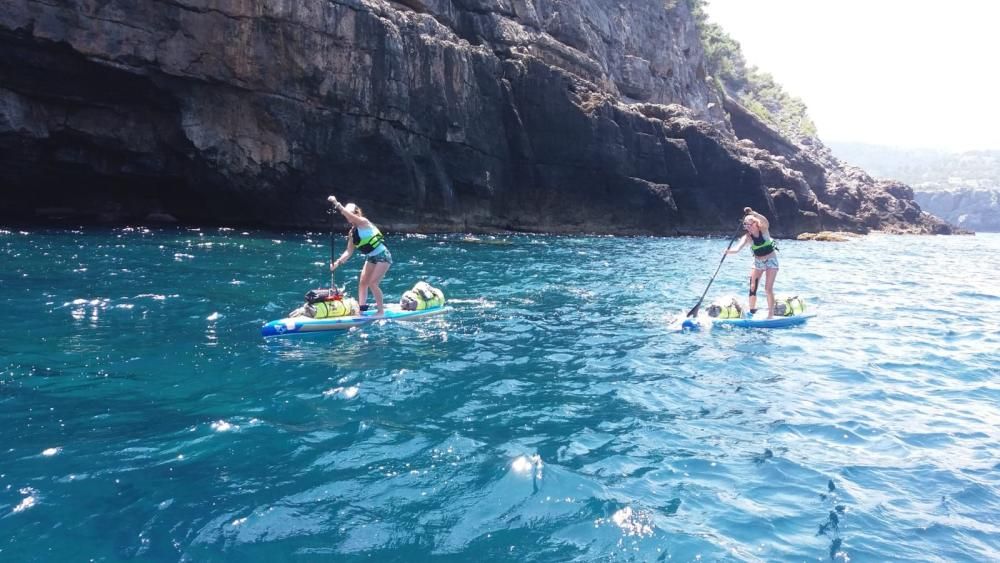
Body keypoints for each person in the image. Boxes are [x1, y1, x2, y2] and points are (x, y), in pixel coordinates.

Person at [327, 196, 392, 316]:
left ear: (356, 213)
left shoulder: (364, 222)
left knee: (373, 283)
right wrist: (337, 263)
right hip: (372, 257)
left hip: (383, 255)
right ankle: (362, 311)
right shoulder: (352, 232)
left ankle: (381, 312)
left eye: (350, 214)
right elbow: (348, 252)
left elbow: (348, 214)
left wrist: (336, 203)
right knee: (363, 283)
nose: (347, 217)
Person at [725, 207, 779, 318]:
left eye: (748, 224)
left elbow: (765, 221)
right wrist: (728, 251)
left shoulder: (764, 230)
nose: (747, 227)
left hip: (771, 261)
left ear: (755, 223)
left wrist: (753, 213)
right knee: (753, 287)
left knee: (768, 289)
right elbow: (737, 248)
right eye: (745, 225)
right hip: (758, 263)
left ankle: (770, 314)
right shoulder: (747, 237)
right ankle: (752, 311)